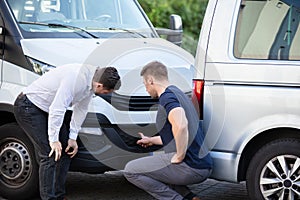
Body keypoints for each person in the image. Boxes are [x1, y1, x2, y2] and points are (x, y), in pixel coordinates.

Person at [13, 64, 121, 200]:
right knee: (49, 153)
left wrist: (72, 138)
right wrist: (53, 140)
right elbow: (58, 108)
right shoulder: (76, 78)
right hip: (29, 106)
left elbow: (81, 109)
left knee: (66, 150)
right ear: (99, 85)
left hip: (47, 110)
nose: (107, 95)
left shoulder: (92, 82)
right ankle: (49, 198)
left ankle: (59, 195)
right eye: (107, 92)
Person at [124, 61, 213, 200]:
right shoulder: (178, 93)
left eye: (144, 84)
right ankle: (190, 197)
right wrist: (151, 140)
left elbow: (181, 125)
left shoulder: (167, 97)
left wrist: (180, 155)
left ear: (150, 80)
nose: (146, 89)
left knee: (131, 170)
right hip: (202, 164)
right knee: (155, 167)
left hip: (190, 166)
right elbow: (176, 133)